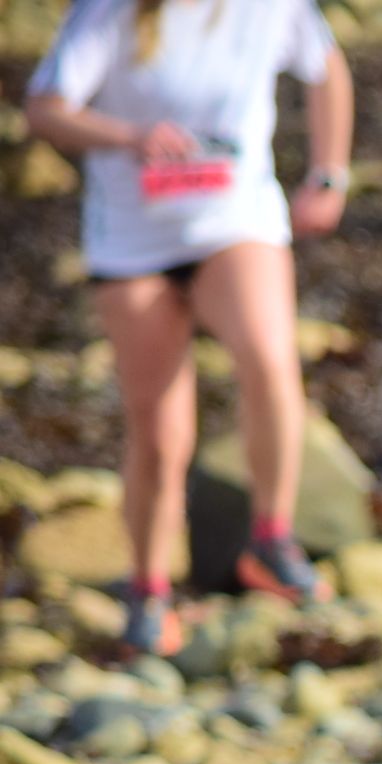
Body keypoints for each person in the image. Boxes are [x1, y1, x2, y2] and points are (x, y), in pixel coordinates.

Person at [24, 0, 351, 655]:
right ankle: (149, 591)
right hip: (133, 244)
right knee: (161, 433)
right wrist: (130, 137)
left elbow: (327, 70)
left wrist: (328, 175)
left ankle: (272, 537)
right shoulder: (108, 12)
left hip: (235, 219)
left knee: (269, 358)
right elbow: (45, 109)